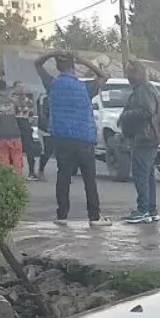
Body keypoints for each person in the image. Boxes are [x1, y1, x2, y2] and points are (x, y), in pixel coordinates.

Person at [35, 50, 109, 226]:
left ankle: (62, 215)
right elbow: (103, 76)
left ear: (58, 67)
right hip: (84, 137)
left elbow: (37, 64)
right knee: (89, 179)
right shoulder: (84, 88)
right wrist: (83, 60)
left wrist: (52, 53)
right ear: (74, 67)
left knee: (63, 177)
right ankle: (94, 217)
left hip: (61, 137)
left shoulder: (52, 84)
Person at [120, 61, 160, 224]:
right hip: (149, 137)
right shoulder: (148, 88)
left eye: (128, 74)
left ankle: (143, 210)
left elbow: (146, 110)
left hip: (144, 137)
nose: (127, 77)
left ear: (135, 75)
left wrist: (126, 115)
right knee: (147, 175)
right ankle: (150, 209)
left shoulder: (143, 90)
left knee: (141, 174)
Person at [0, 78, 24, 175]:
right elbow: (18, 112)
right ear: (5, 88)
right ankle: (19, 181)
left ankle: (6, 181)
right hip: (15, 133)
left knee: (3, 159)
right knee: (17, 158)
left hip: (1, 133)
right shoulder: (12, 101)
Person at [13, 84, 39, 180]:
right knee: (16, 150)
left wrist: (29, 122)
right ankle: (17, 172)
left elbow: (32, 115)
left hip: (26, 126)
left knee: (30, 150)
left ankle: (32, 172)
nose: (22, 89)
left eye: (23, 87)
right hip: (15, 126)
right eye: (19, 86)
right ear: (14, 88)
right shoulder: (11, 101)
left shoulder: (29, 101)